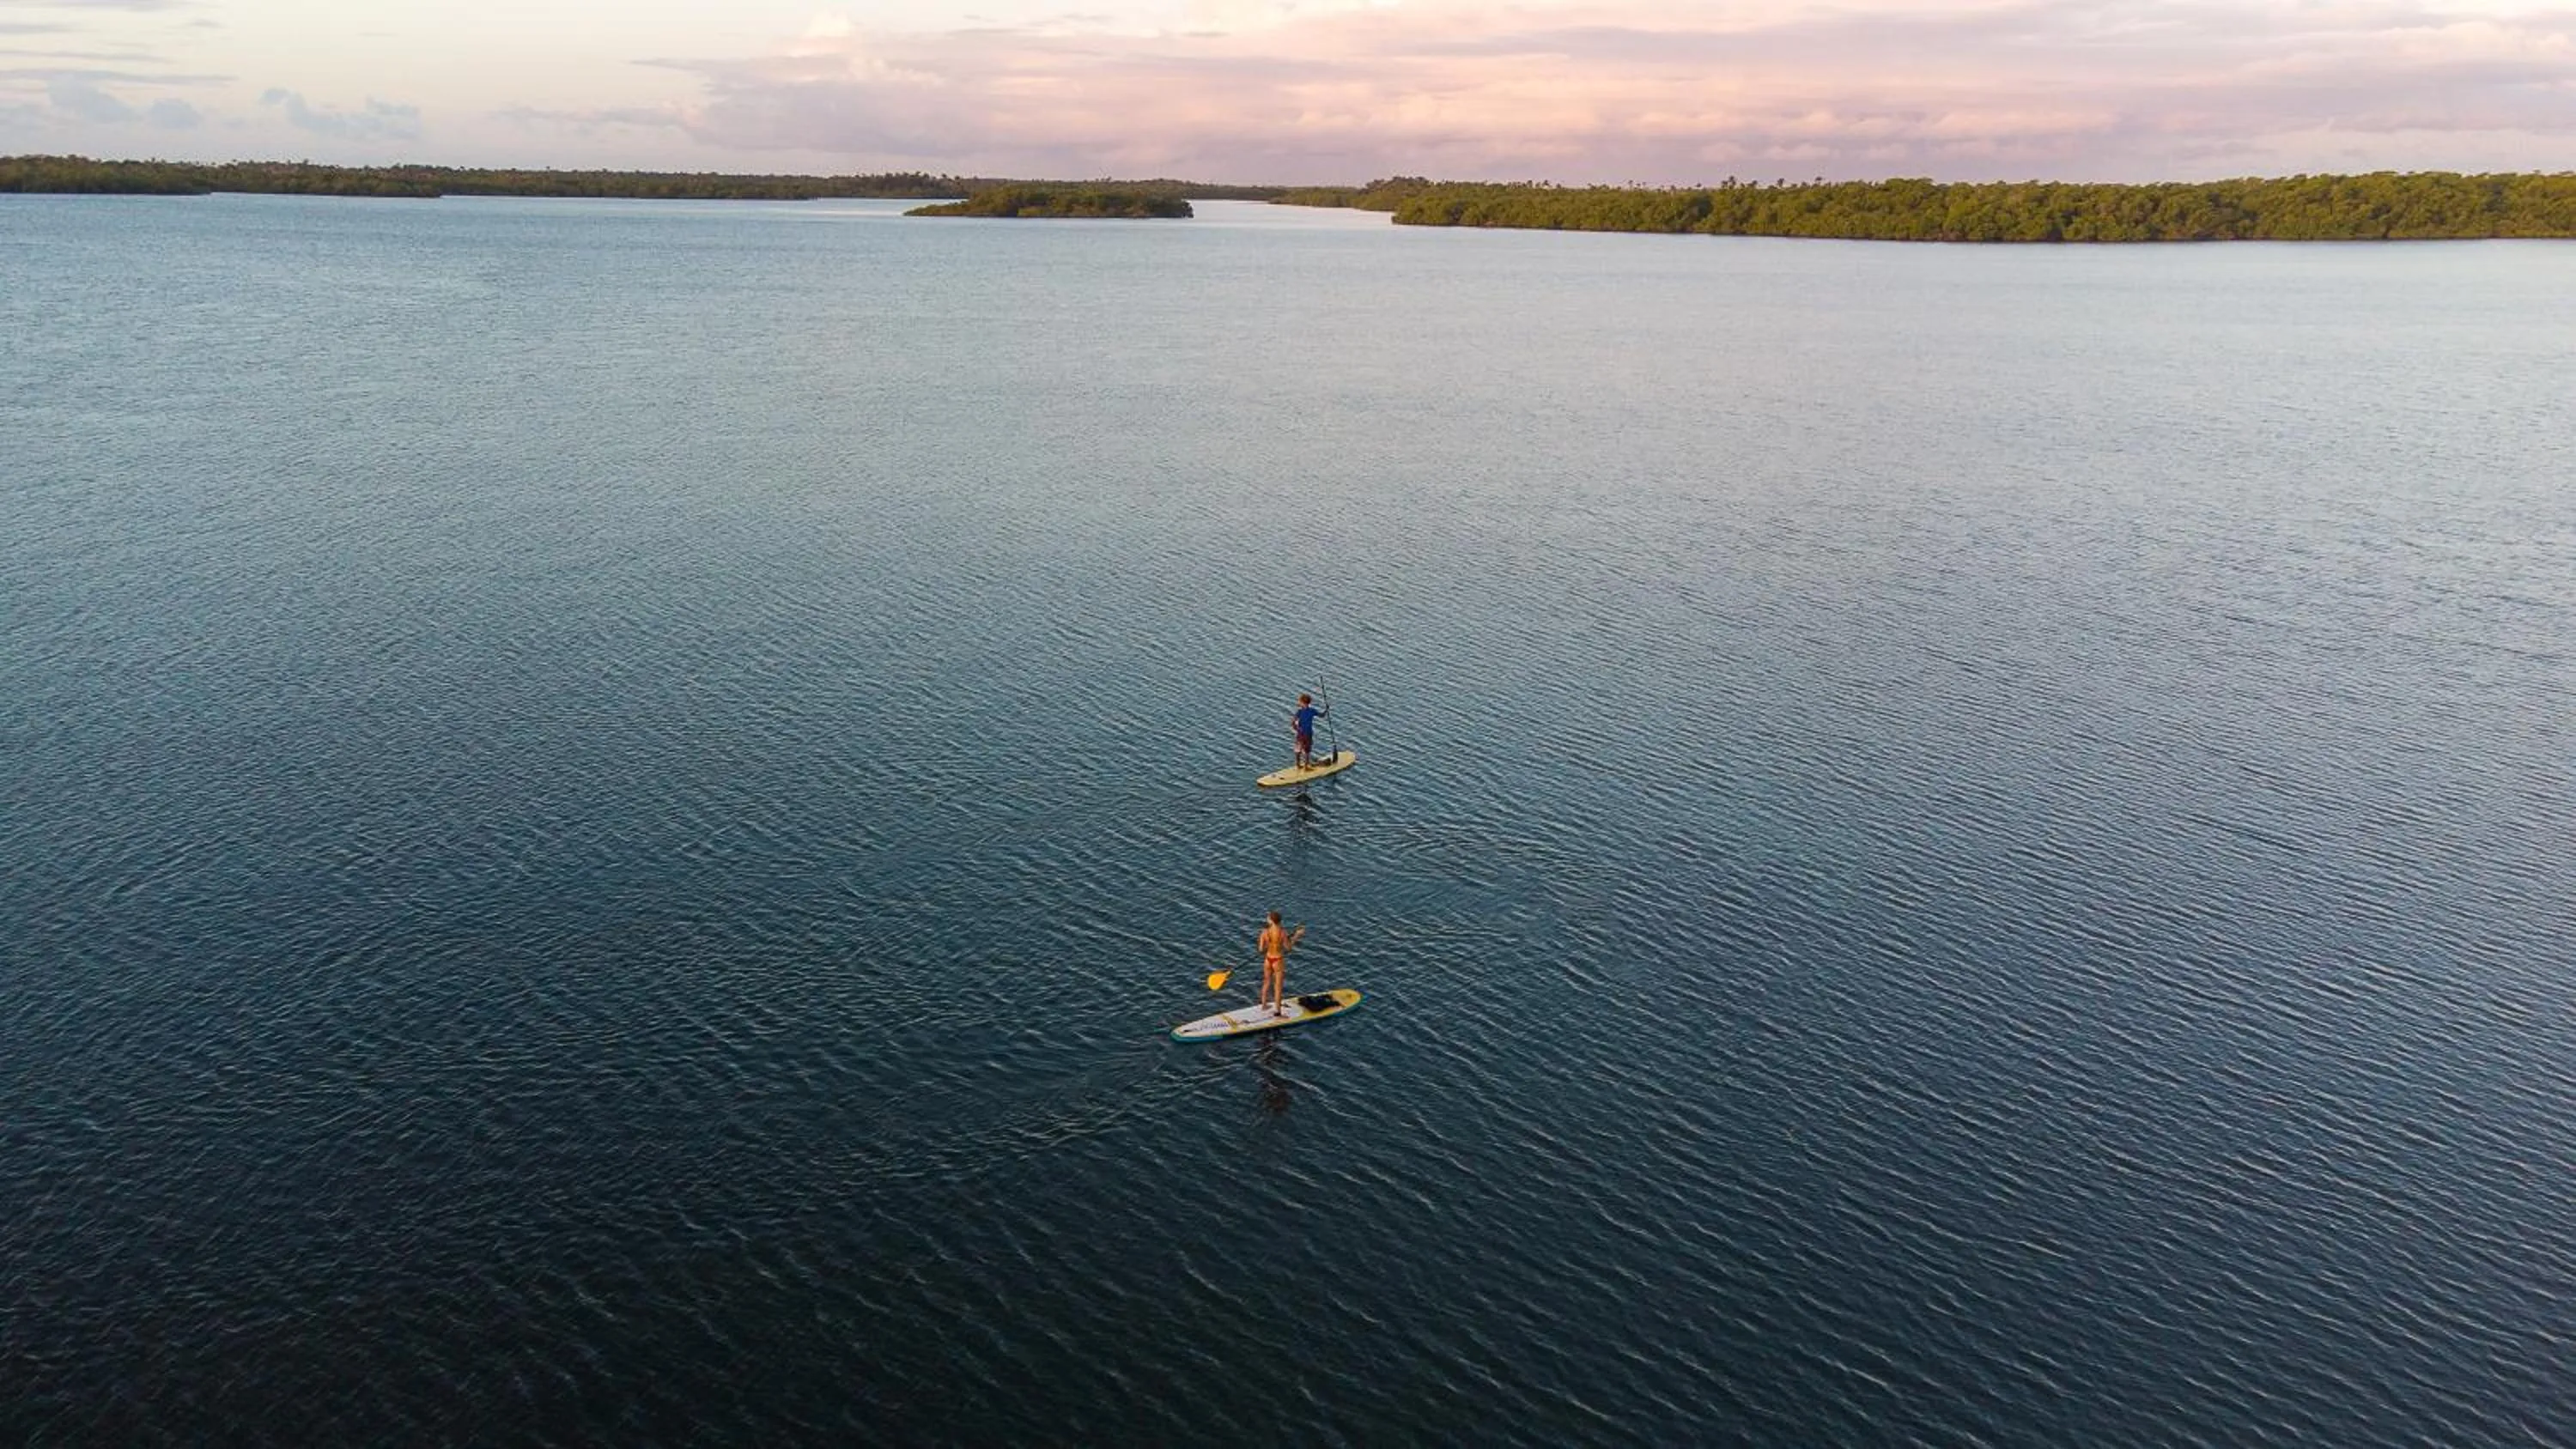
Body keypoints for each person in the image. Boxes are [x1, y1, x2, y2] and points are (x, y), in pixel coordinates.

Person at [1256, 911, 1304, 1016]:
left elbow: (1260, 949)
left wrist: (1268, 946)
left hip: (1268, 959)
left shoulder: (1264, 932)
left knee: (1266, 982)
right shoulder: (1283, 932)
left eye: (1268, 918)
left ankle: (1264, 1005)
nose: (1266, 919)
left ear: (1271, 920)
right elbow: (1288, 948)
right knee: (1278, 987)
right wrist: (1296, 936)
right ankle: (1278, 1012)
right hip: (1278, 960)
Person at [1292, 693, 1325, 768]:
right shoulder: (1312, 711)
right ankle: (1306, 767)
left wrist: (1297, 729)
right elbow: (1322, 715)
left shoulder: (1299, 712)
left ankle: (1298, 765)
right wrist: (1326, 710)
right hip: (1308, 734)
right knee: (1307, 750)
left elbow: (1293, 722)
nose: (1298, 702)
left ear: (1302, 702)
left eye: (1299, 701)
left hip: (1300, 734)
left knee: (1298, 748)